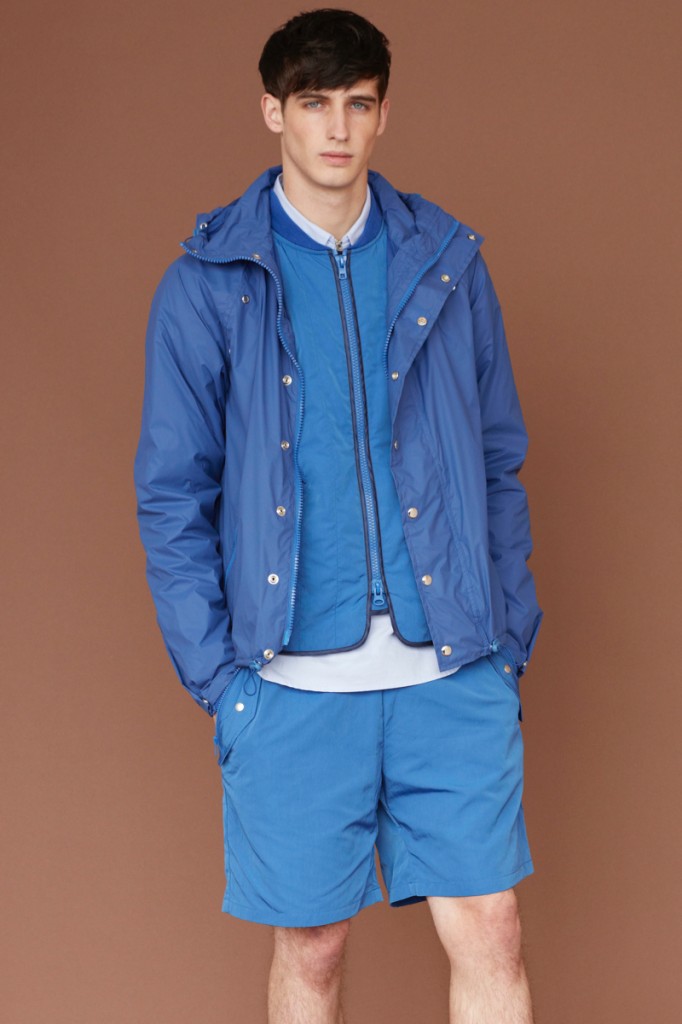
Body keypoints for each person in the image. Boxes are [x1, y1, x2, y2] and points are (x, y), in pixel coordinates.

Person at [133, 8, 544, 1022]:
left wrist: (507, 639)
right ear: (272, 110)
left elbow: (498, 461)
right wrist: (219, 678)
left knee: (491, 925)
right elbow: (172, 492)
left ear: (383, 114)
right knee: (312, 948)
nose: (337, 128)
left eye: (358, 104)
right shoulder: (207, 284)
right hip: (288, 686)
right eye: (314, 103)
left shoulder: (448, 261)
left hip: (451, 668)